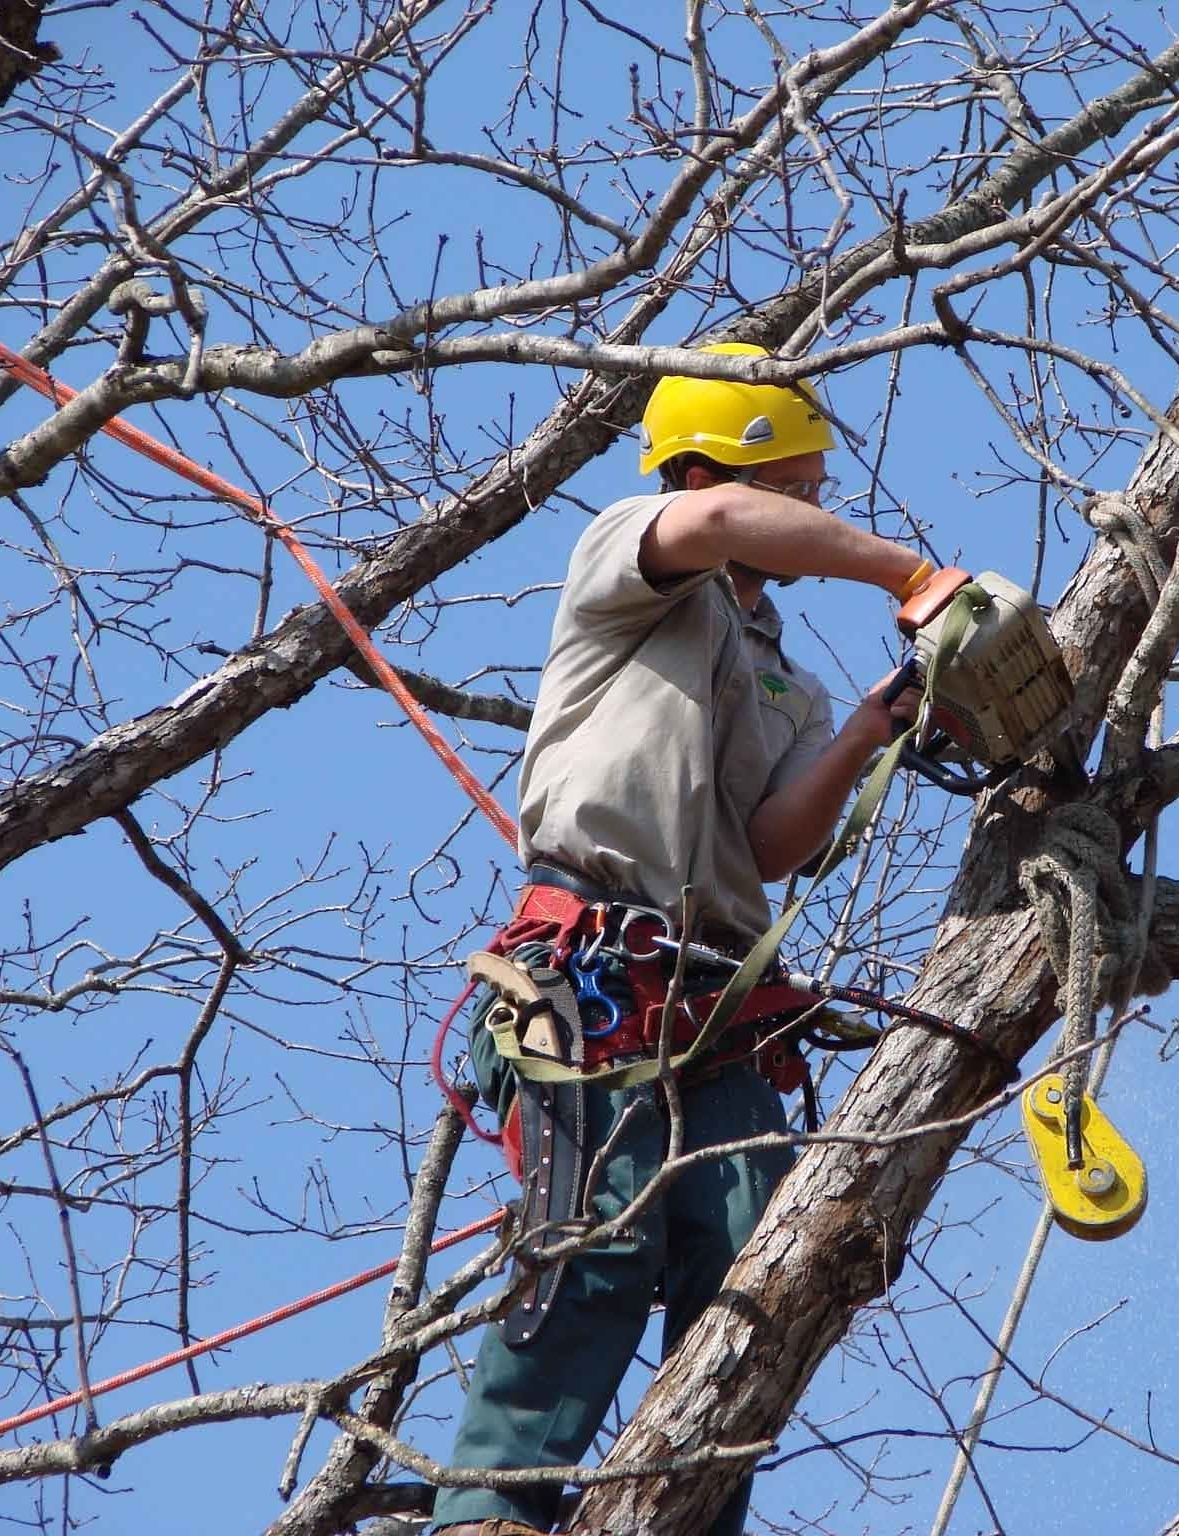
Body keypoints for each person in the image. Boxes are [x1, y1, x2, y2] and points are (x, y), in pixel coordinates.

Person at [430, 343, 933, 1536]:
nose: (807, 515)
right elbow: (709, 518)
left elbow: (768, 846)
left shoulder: (785, 682)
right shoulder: (632, 554)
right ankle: (489, 1508)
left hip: (721, 1005)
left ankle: (690, 1517)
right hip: (591, 973)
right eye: (795, 493)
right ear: (718, 467)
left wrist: (869, 725)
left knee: (751, 1278)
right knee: (597, 1246)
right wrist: (912, 571)